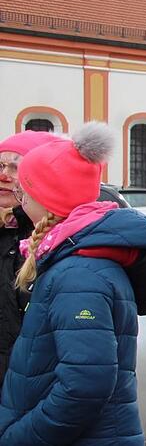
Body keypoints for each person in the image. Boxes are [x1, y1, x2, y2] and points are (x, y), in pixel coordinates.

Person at [0, 122, 146, 444]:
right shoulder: (73, 257)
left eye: (25, 190)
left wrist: (20, 436)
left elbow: (85, 385)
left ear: (46, 199)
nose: (20, 200)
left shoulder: (79, 273)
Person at [0, 131, 58, 390]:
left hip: (40, 387)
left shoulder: (60, 236)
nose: (4, 175)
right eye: (0, 165)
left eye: (15, 166)